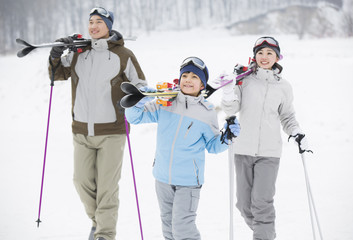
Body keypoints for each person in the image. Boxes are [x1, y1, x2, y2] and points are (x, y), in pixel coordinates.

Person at [47, 7, 147, 240]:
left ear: (109, 26)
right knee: (80, 181)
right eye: (90, 21)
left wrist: (131, 99)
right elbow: (57, 75)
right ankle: (98, 222)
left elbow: (141, 85)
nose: (93, 26)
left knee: (107, 189)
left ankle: (105, 234)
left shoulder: (124, 55)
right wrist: (55, 54)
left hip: (112, 131)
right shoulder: (79, 52)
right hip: (81, 130)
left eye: (99, 22)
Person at [125, 57, 240, 240]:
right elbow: (135, 118)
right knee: (168, 228)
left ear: (202, 85)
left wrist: (227, 138)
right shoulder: (165, 103)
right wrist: (137, 102)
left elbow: (213, 146)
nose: (188, 79)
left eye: (194, 77)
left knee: (183, 228)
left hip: (188, 181)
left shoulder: (206, 111)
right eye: (185, 75)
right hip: (162, 177)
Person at [221, 36, 310, 240]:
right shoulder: (244, 80)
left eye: (269, 53)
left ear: (278, 57)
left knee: (262, 202)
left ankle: (263, 235)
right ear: (254, 56)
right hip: (243, 149)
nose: (264, 56)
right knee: (243, 204)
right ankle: (266, 233)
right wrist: (228, 91)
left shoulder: (284, 87)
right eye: (260, 52)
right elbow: (231, 108)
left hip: (269, 153)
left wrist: (296, 132)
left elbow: (287, 116)